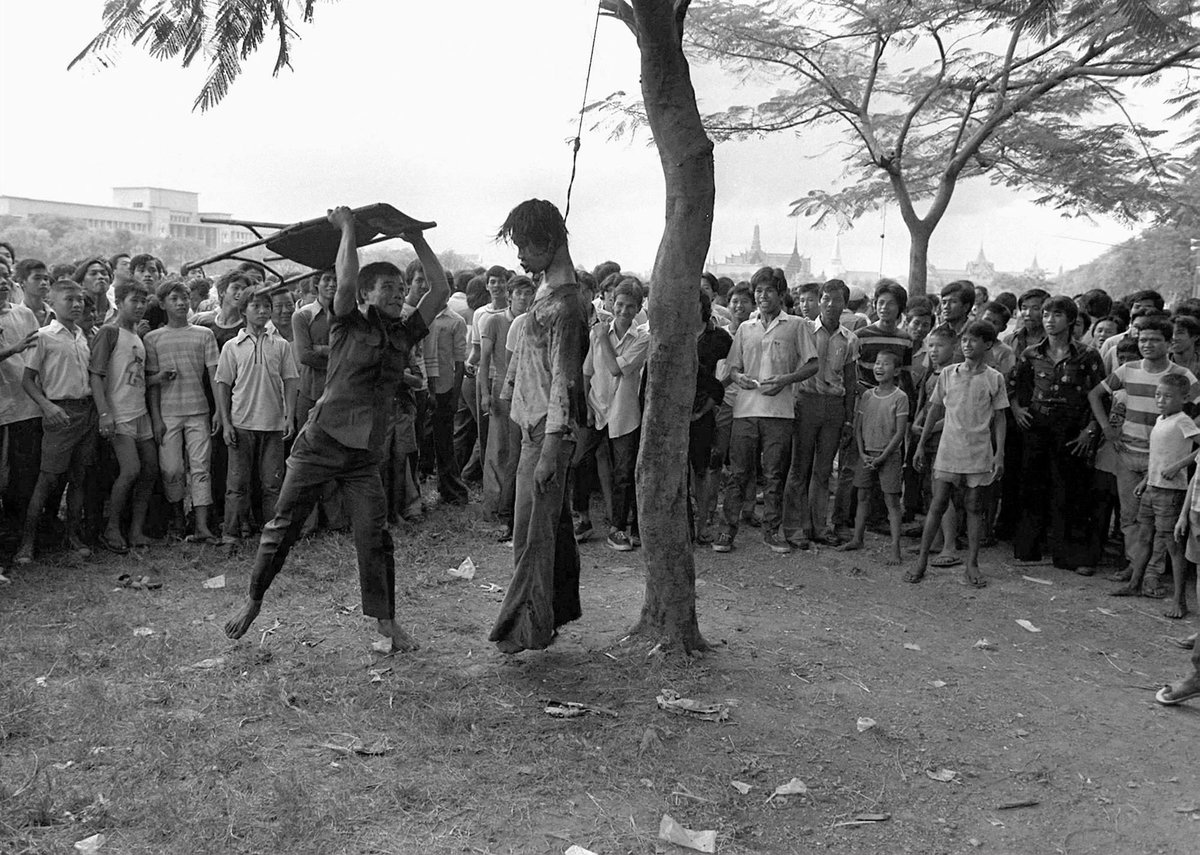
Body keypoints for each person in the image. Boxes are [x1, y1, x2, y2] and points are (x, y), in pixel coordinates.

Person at [224, 206, 447, 652]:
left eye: (400, 289)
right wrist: (346, 229)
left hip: (365, 454)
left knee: (375, 538)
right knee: (283, 524)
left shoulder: (403, 334)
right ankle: (253, 600)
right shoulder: (347, 321)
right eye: (388, 288)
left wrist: (415, 238)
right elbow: (345, 282)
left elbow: (439, 290)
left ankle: (386, 624)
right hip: (320, 443)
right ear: (366, 293)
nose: (397, 294)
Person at [489, 199, 586, 653]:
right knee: (548, 529)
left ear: (550, 243)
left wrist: (551, 450)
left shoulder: (566, 307)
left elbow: (565, 383)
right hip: (533, 428)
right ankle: (552, 616)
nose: (521, 256)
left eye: (526, 245)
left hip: (548, 432)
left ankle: (521, 629)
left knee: (531, 534)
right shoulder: (548, 294)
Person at [713, 266, 818, 555]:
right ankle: (726, 530)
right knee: (738, 473)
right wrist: (738, 378)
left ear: (781, 294)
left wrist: (785, 380)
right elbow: (732, 367)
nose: (763, 296)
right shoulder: (746, 328)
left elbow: (812, 363)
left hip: (780, 412)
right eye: (758, 291)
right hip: (745, 410)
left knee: (774, 476)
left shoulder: (796, 325)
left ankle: (771, 532)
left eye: (769, 290)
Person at [1089, 315, 1199, 589]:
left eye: (1155, 340)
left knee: (1162, 520)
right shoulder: (1127, 369)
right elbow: (1094, 395)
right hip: (1127, 454)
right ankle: (1134, 565)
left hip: (1163, 463)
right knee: (1130, 517)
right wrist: (1107, 428)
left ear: (1168, 343)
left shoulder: (1182, 377)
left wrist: (1179, 435)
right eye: (1143, 339)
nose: (1147, 344)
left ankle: (1152, 573)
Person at [908, 321, 1009, 586]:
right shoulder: (948, 374)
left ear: (987, 344)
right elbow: (934, 410)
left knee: (975, 506)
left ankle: (972, 563)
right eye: (964, 340)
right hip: (949, 447)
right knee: (938, 503)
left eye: (973, 340)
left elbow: (1000, 418)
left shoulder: (994, 378)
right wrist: (921, 444)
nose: (967, 345)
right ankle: (921, 561)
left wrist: (1000, 454)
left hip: (978, 449)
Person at [1013, 296, 1104, 572]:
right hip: (1037, 426)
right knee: (1032, 486)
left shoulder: (1088, 355)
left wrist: (1091, 429)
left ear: (1071, 320)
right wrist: (1017, 409)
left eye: (1057, 315)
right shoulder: (1031, 353)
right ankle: (1028, 549)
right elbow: (1015, 384)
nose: (1049, 320)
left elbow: (1099, 395)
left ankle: (1067, 555)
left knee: (1069, 490)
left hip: (1072, 428)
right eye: (1046, 315)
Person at [14, 279, 96, 565]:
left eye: (80, 300)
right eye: (69, 299)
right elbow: (27, 380)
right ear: (53, 301)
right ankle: (27, 543)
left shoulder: (84, 335)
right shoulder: (44, 336)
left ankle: (72, 537)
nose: (76, 305)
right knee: (47, 479)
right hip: (59, 412)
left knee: (79, 478)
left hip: (86, 411)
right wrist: (47, 406)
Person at [215, 287, 299, 541]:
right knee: (237, 484)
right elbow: (223, 384)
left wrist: (289, 416)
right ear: (243, 312)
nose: (263, 311)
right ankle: (231, 532)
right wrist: (226, 422)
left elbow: (291, 380)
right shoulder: (232, 346)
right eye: (256, 307)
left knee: (272, 483)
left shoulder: (280, 345)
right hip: (242, 423)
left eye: (266, 306)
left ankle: (271, 532)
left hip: (272, 424)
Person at [1113, 372, 1200, 616]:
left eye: (1168, 396)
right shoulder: (1162, 420)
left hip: (1170, 492)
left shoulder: (1183, 421)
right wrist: (1146, 481)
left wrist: (1178, 466)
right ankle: (1135, 583)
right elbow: (1158, 456)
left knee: (1172, 545)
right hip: (1153, 488)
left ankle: (1179, 600)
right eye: (1158, 395)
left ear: (1183, 398)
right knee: (1144, 537)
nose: (1161, 400)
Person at [782, 279, 858, 547]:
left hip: (834, 406)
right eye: (825, 298)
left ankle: (819, 526)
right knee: (799, 467)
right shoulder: (804, 331)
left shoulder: (850, 340)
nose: (829, 304)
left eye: (836, 300)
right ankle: (795, 527)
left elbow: (850, 381)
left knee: (824, 470)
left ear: (844, 305)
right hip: (806, 401)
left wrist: (849, 417)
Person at [145, 277, 221, 543]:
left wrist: (219, 411)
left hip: (198, 410)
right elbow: (151, 382)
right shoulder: (152, 338)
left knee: (201, 468)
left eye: (184, 298)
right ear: (163, 304)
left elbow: (214, 375)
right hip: (167, 413)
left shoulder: (204, 334)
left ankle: (201, 525)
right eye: (174, 299)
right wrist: (155, 418)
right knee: (171, 469)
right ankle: (177, 517)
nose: (180, 303)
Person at [90, 279, 158, 553]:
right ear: (119, 302)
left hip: (140, 412)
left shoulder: (137, 337)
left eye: (143, 301)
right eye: (134, 301)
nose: (140, 306)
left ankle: (136, 530)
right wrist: (105, 413)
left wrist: (158, 379)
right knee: (130, 469)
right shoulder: (109, 332)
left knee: (151, 469)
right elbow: (96, 375)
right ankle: (111, 528)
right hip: (118, 414)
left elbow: (134, 376)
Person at [582, 276, 650, 551]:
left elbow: (615, 368)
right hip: (597, 406)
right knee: (580, 462)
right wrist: (586, 405)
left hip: (624, 412)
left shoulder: (642, 338)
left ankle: (619, 527)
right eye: (619, 304)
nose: (623, 311)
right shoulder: (597, 333)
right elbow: (588, 371)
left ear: (638, 308)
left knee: (623, 472)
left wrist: (601, 338)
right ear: (610, 301)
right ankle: (582, 518)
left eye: (630, 307)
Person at [840, 350, 908, 563]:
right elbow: (859, 428)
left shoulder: (900, 397)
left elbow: (899, 433)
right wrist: (862, 452)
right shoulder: (867, 396)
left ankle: (895, 548)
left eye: (886, 364)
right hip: (866, 454)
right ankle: (857, 538)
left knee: (892, 501)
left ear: (896, 370)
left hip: (889, 455)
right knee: (862, 496)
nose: (879, 367)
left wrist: (882, 456)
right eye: (877, 363)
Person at [0, 258, 42, 530]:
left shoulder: (24, 314)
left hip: (26, 407)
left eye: (5, 276)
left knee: (23, 475)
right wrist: (11, 349)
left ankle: (19, 534)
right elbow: (18, 349)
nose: (3, 283)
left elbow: (39, 354)